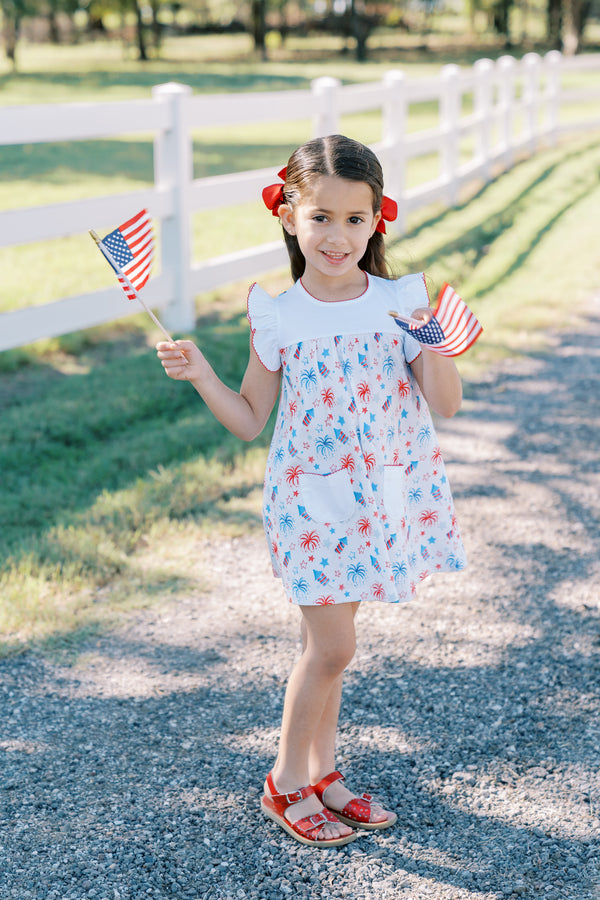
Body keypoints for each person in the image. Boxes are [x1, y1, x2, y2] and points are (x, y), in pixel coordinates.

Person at [156, 134, 467, 848]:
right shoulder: (279, 314)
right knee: (331, 650)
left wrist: (435, 339)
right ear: (289, 215)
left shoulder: (399, 301)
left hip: (377, 502)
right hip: (311, 510)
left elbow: (445, 403)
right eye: (321, 217)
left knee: (328, 648)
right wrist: (203, 374)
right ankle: (284, 780)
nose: (337, 236)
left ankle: (324, 774)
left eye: (355, 220)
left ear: (376, 221)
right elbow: (247, 420)